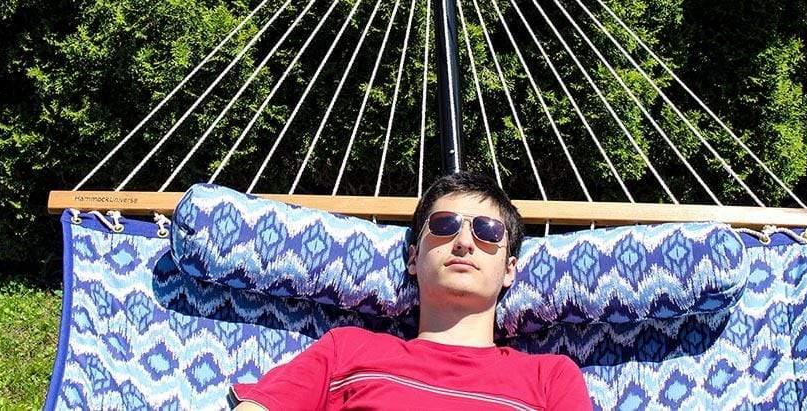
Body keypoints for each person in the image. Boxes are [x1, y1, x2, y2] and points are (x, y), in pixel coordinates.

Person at [229, 172, 592, 410]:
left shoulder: (551, 377)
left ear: (509, 270)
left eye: (488, 231)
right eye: (444, 225)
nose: (464, 241)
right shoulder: (347, 350)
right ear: (413, 259)